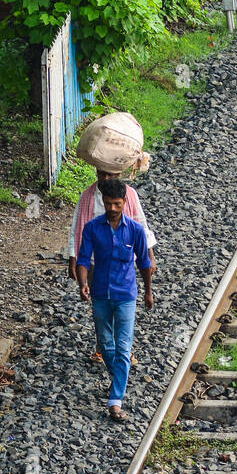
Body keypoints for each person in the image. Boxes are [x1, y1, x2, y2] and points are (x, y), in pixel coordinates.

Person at [76, 179, 154, 422]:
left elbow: (144, 263)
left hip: (126, 295)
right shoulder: (91, 228)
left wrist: (148, 292)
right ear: (103, 202)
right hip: (100, 293)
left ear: (124, 203)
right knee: (105, 344)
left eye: (117, 204)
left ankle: (115, 400)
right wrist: (83, 283)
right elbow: (82, 259)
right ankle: (119, 377)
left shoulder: (135, 230)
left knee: (123, 347)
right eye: (108, 204)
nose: (112, 208)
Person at [68, 168, 156, 365]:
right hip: (94, 263)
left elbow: (141, 223)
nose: (106, 178)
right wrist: (73, 256)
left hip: (122, 262)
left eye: (110, 175)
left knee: (122, 307)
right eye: (102, 175)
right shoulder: (87, 196)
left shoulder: (130, 194)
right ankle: (104, 348)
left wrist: (150, 254)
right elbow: (77, 227)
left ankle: (123, 351)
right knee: (101, 309)